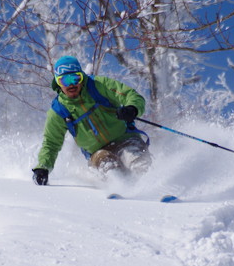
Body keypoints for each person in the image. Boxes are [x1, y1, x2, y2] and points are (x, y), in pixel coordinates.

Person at [32, 55, 151, 186]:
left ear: (82, 77)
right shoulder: (59, 110)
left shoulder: (98, 86)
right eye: (65, 81)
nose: (71, 84)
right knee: (108, 166)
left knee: (136, 159)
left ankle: (152, 186)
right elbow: (51, 143)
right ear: (58, 83)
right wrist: (43, 167)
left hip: (126, 139)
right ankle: (121, 188)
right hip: (98, 153)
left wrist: (132, 109)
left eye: (75, 78)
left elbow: (131, 95)